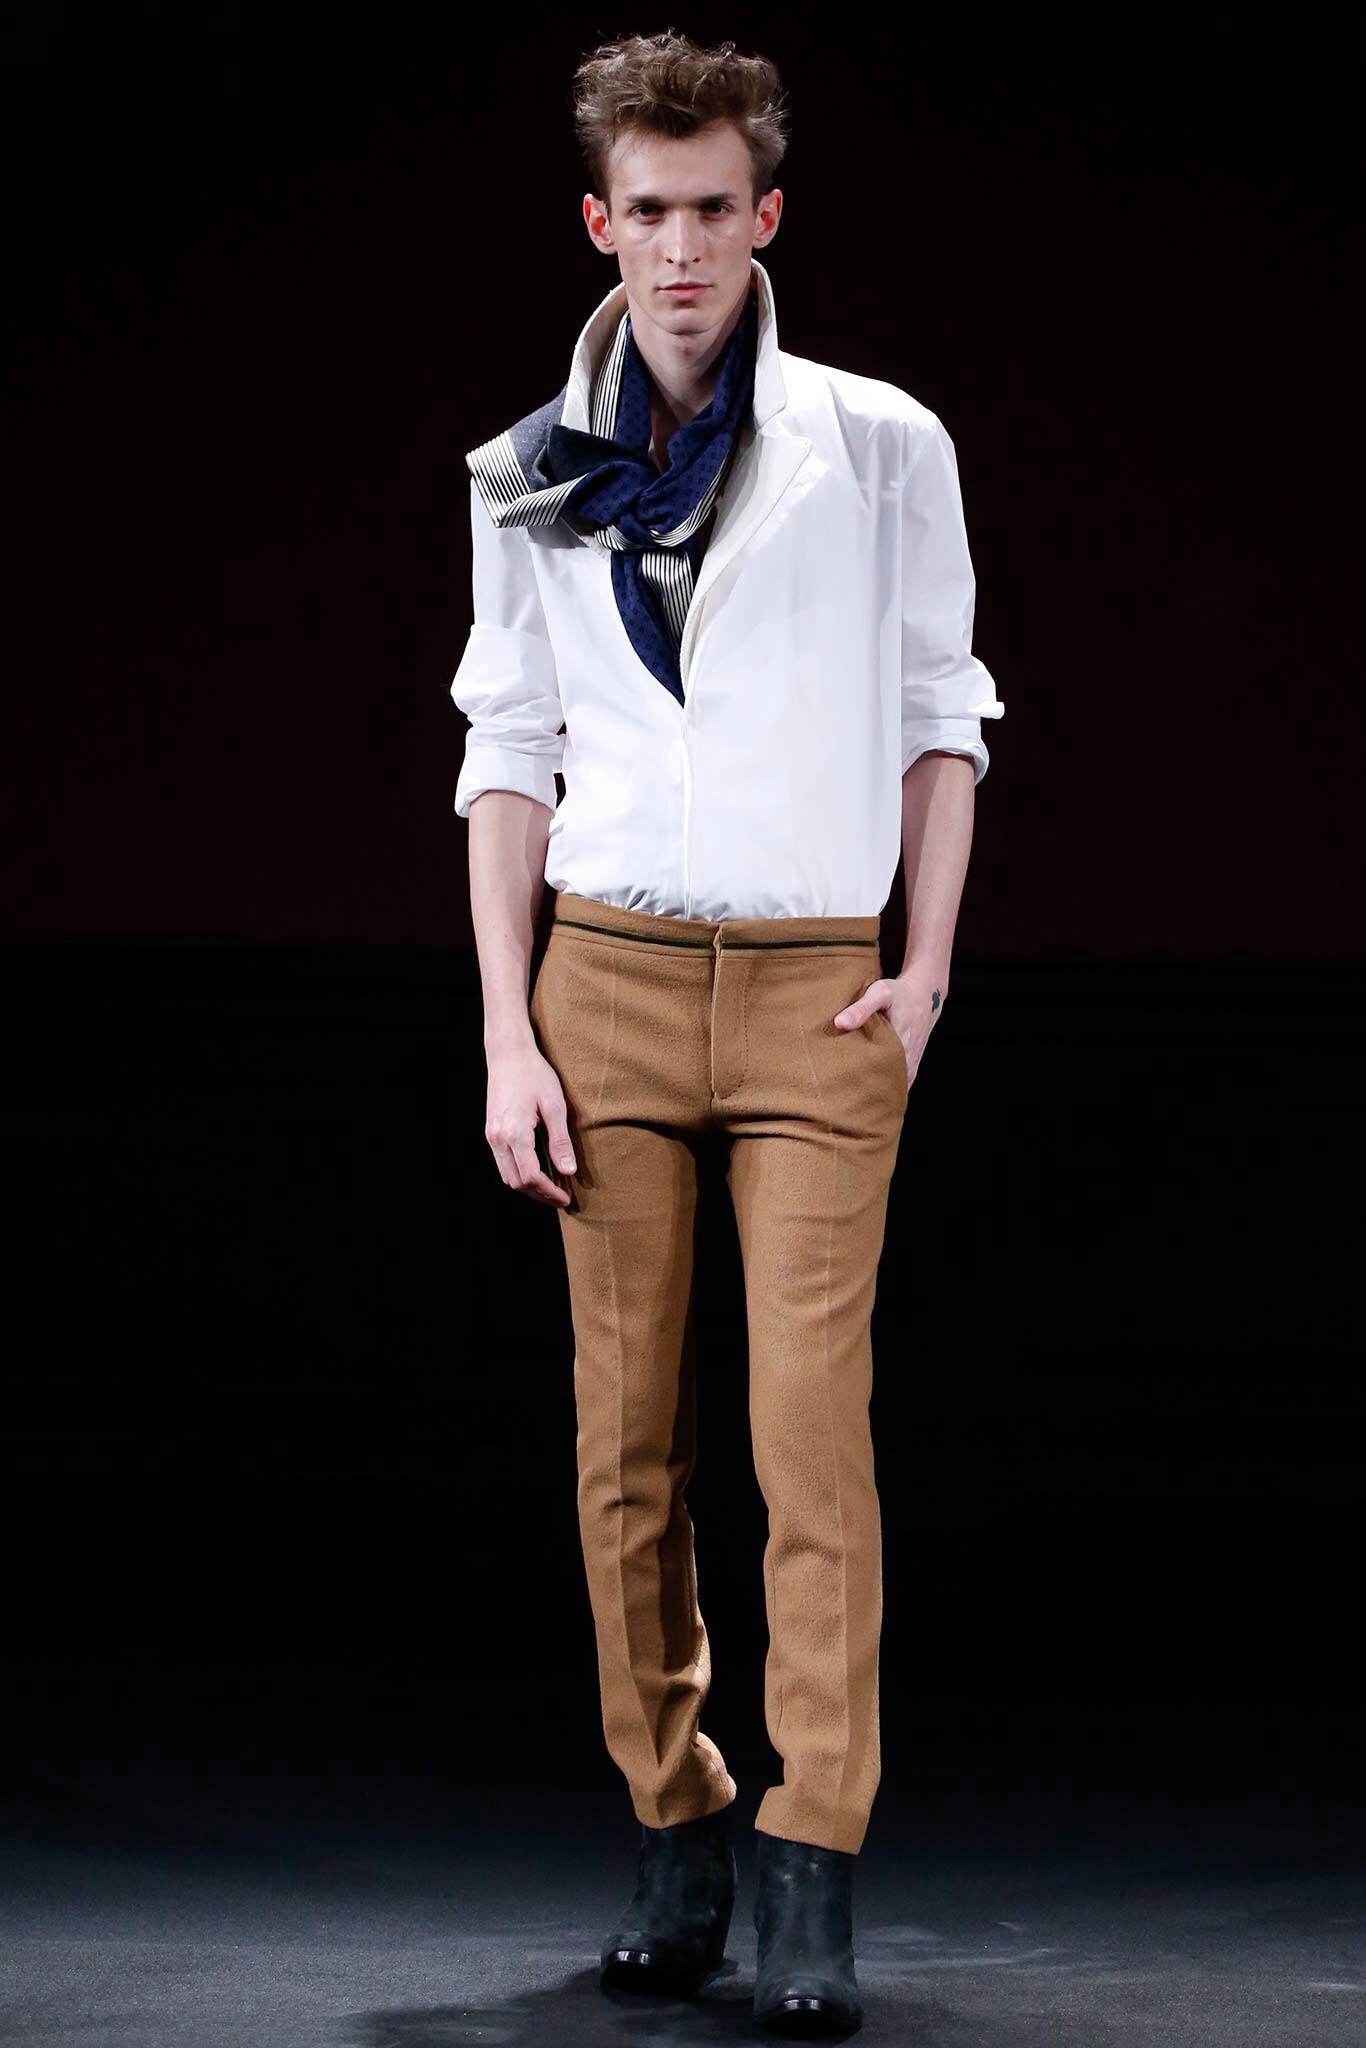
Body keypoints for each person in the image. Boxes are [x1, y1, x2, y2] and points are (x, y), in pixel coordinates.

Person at [450, 29, 1004, 2037]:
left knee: (805, 1447)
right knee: (622, 1451)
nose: (679, 248)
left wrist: (920, 973)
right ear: (596, 224)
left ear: (764, 217)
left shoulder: (881, 443)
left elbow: (942, 708)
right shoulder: (527, 469)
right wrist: (506, 1031)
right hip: (598, 980)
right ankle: (674, 1822)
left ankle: (809, 1858)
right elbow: (506, 744)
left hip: (811, 986)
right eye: (646, 212)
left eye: (711, 209)